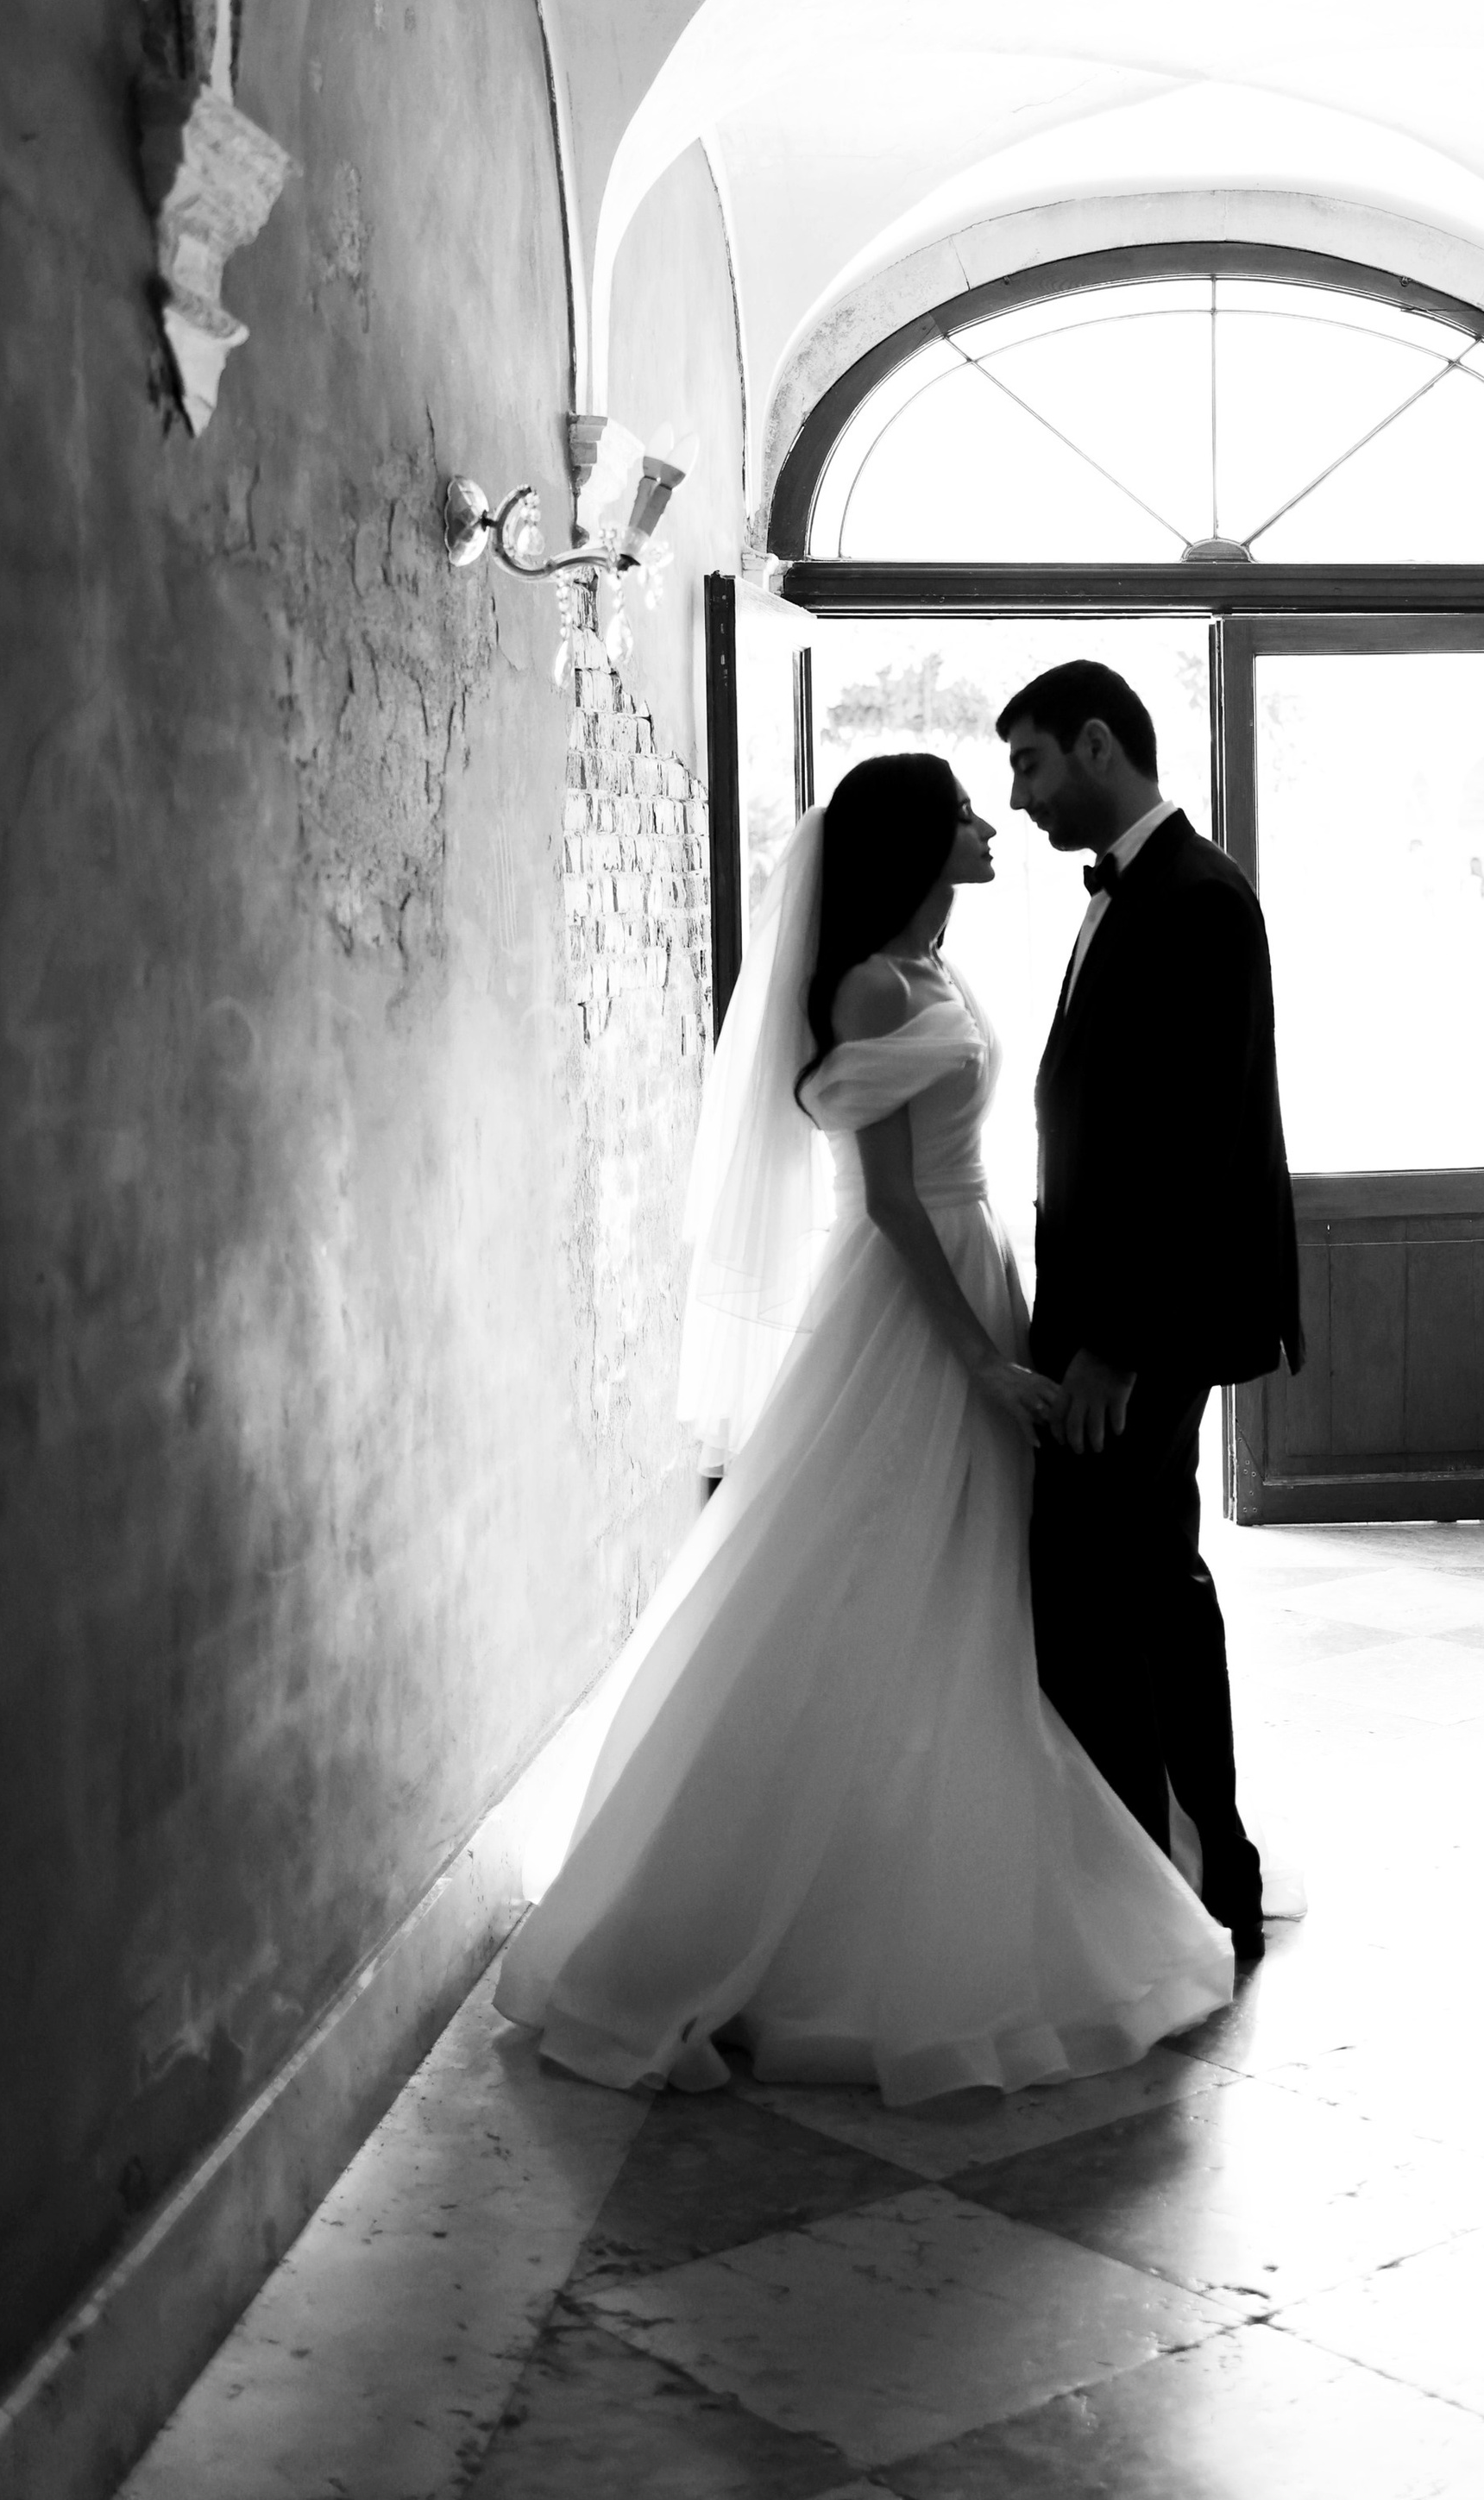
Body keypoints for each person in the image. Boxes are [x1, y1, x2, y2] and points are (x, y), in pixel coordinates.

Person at [496, 752, 1235, 2104]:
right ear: (909, 845)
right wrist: (981, 1365)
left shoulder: (936, 970)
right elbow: (890, 1207)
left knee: (976, 1587)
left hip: (978, 1268)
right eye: (960, 810)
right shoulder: (875, 986)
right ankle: (769, 1906)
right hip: (914, 1305)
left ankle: (936, 1852)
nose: (983, 820)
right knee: (877, 1578)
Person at [998, 661, 1301, 1964]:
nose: (1019, 800)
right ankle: (1155, 1857)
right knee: (1121, 1582)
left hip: (1145, 1327)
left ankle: (1196, 1871)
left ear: (1100, 744)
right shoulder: (1136, 891)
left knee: (1140, 1587)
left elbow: (1193, 1143)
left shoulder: (1199, 898)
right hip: (1108, 1317)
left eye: (1032, 766)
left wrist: (1115, 1343)